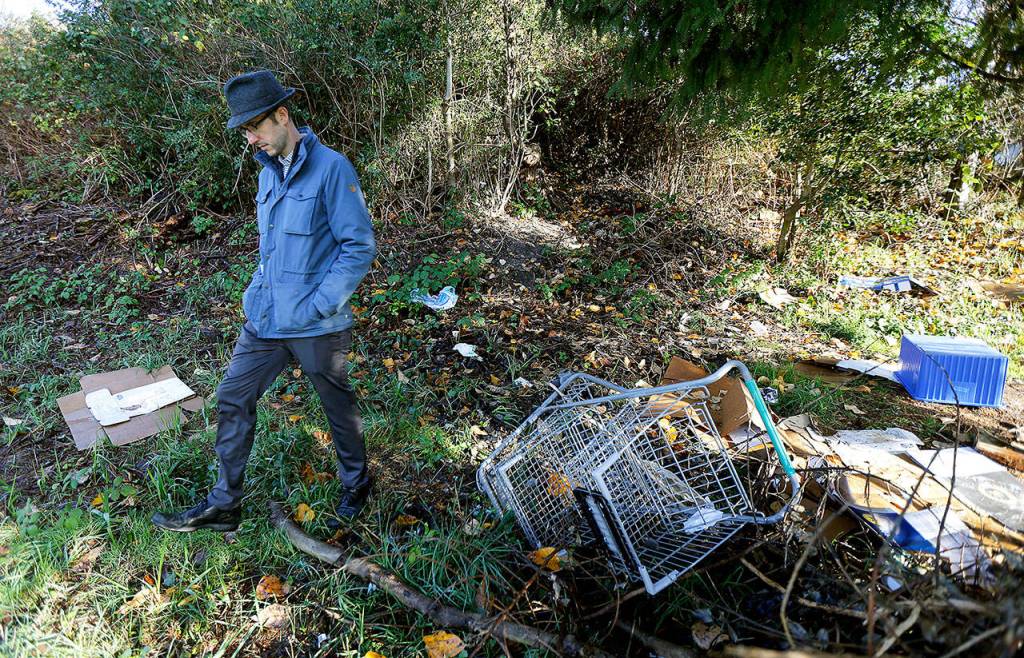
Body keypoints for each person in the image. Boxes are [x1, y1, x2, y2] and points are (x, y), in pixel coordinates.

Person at [152, 70, 376, 532]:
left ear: (282, 115)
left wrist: (320, 304)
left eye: (256, 127)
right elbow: (269, 246)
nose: (251, 139)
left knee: (336, 405)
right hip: (268, 319)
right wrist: (256, 289)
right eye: (246, 131)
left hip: (317, 323)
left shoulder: (332, 169)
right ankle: (224, 504)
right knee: (233, 396)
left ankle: (357, 483)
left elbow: (358, 246)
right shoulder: (267, 176)